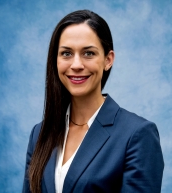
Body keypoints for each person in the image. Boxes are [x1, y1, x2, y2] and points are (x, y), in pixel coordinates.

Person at [22, 10, 164, 193]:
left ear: (108, 60)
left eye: (88, 53)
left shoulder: (137, 135)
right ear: (55, 60)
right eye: (66, 53)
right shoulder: (39, 133)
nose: (76, 65)